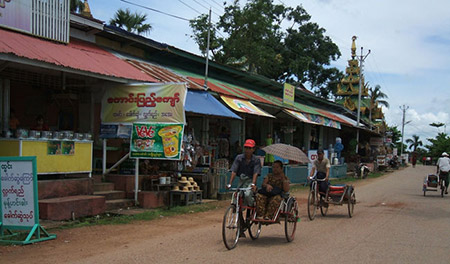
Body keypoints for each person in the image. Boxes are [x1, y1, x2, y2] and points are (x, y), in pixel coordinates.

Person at [227, 139, 261, 237]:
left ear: (253, 149)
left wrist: (253, 184)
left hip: (250, 181)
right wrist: (230, 183)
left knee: (247, 194)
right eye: (246, 148)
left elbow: (255, 173)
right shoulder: (239, 158)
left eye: (249, 148)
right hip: (241, 181)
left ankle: (252, 208)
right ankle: (240, 224)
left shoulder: (256, 160)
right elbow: (234, 170)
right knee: (236, 199)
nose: (247, 150)